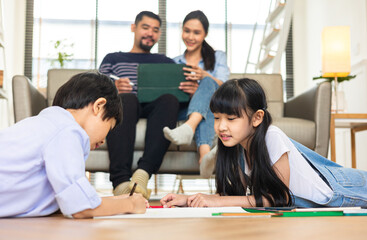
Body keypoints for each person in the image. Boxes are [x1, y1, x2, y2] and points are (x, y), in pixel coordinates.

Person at [160, 78, 367, 208]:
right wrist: (188, 199)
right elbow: (233, 196)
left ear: (257, 118)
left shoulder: (272, 136)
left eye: (231, 119)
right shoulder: (237, 147)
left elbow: (280, 198)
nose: (221, 126)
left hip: (349, 189)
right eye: (216, 118)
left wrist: (216, 201)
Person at [0, 72, 148, 218]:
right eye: (109, 128)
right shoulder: (67, 130)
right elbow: (81, 207)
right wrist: (131, 205)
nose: (104, 140)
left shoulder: (47, 125)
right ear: (99, 106)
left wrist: (117, 200)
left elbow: (67, 200)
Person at [99, 11, 197, 199]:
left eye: (155, 30)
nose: (150, 33)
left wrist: (191, 92)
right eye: (145, 27)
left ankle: (142, 175)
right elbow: (97, 87)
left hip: (156, 108)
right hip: (126, 105)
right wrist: (113, 86)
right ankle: (120, 182)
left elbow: (181, 93)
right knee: (127, 99)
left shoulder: (166, 63)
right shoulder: (113, 58)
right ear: (134, 28)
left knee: (170, 99)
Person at [163, 10, 230, 165]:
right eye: (187, 31)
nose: (190, 37)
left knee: (207, 83)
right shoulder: (174, 62)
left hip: (213, 108)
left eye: (196, 32)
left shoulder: (218, 56)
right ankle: (205, 154)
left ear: (205, 34)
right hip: (183, 109)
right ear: (182, 30)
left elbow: (225, 89)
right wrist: (191, 95)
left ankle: (194, 137)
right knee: (205, 107)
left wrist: (203, 77)